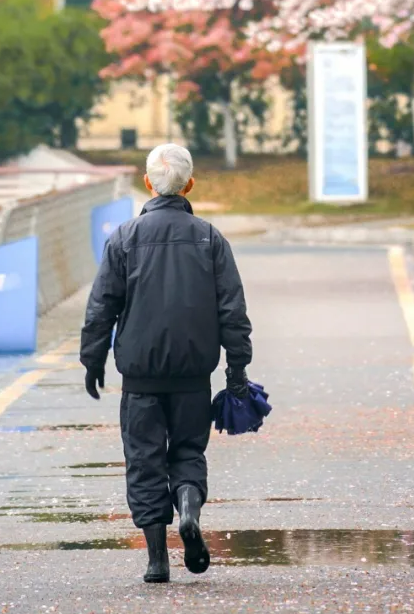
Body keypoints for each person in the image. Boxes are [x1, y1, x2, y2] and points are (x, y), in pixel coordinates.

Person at [79, 142, 253, 584]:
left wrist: (93, 359)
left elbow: (102, 306)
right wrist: (237, 370)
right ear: (189, 184)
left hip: (140, 374)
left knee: (144, 459)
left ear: (147, 184)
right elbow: (232, 310)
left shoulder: (123, 239)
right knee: (188, 451)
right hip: (194, 373)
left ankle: (157, 561)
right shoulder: (210, 239)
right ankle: (189, 509)